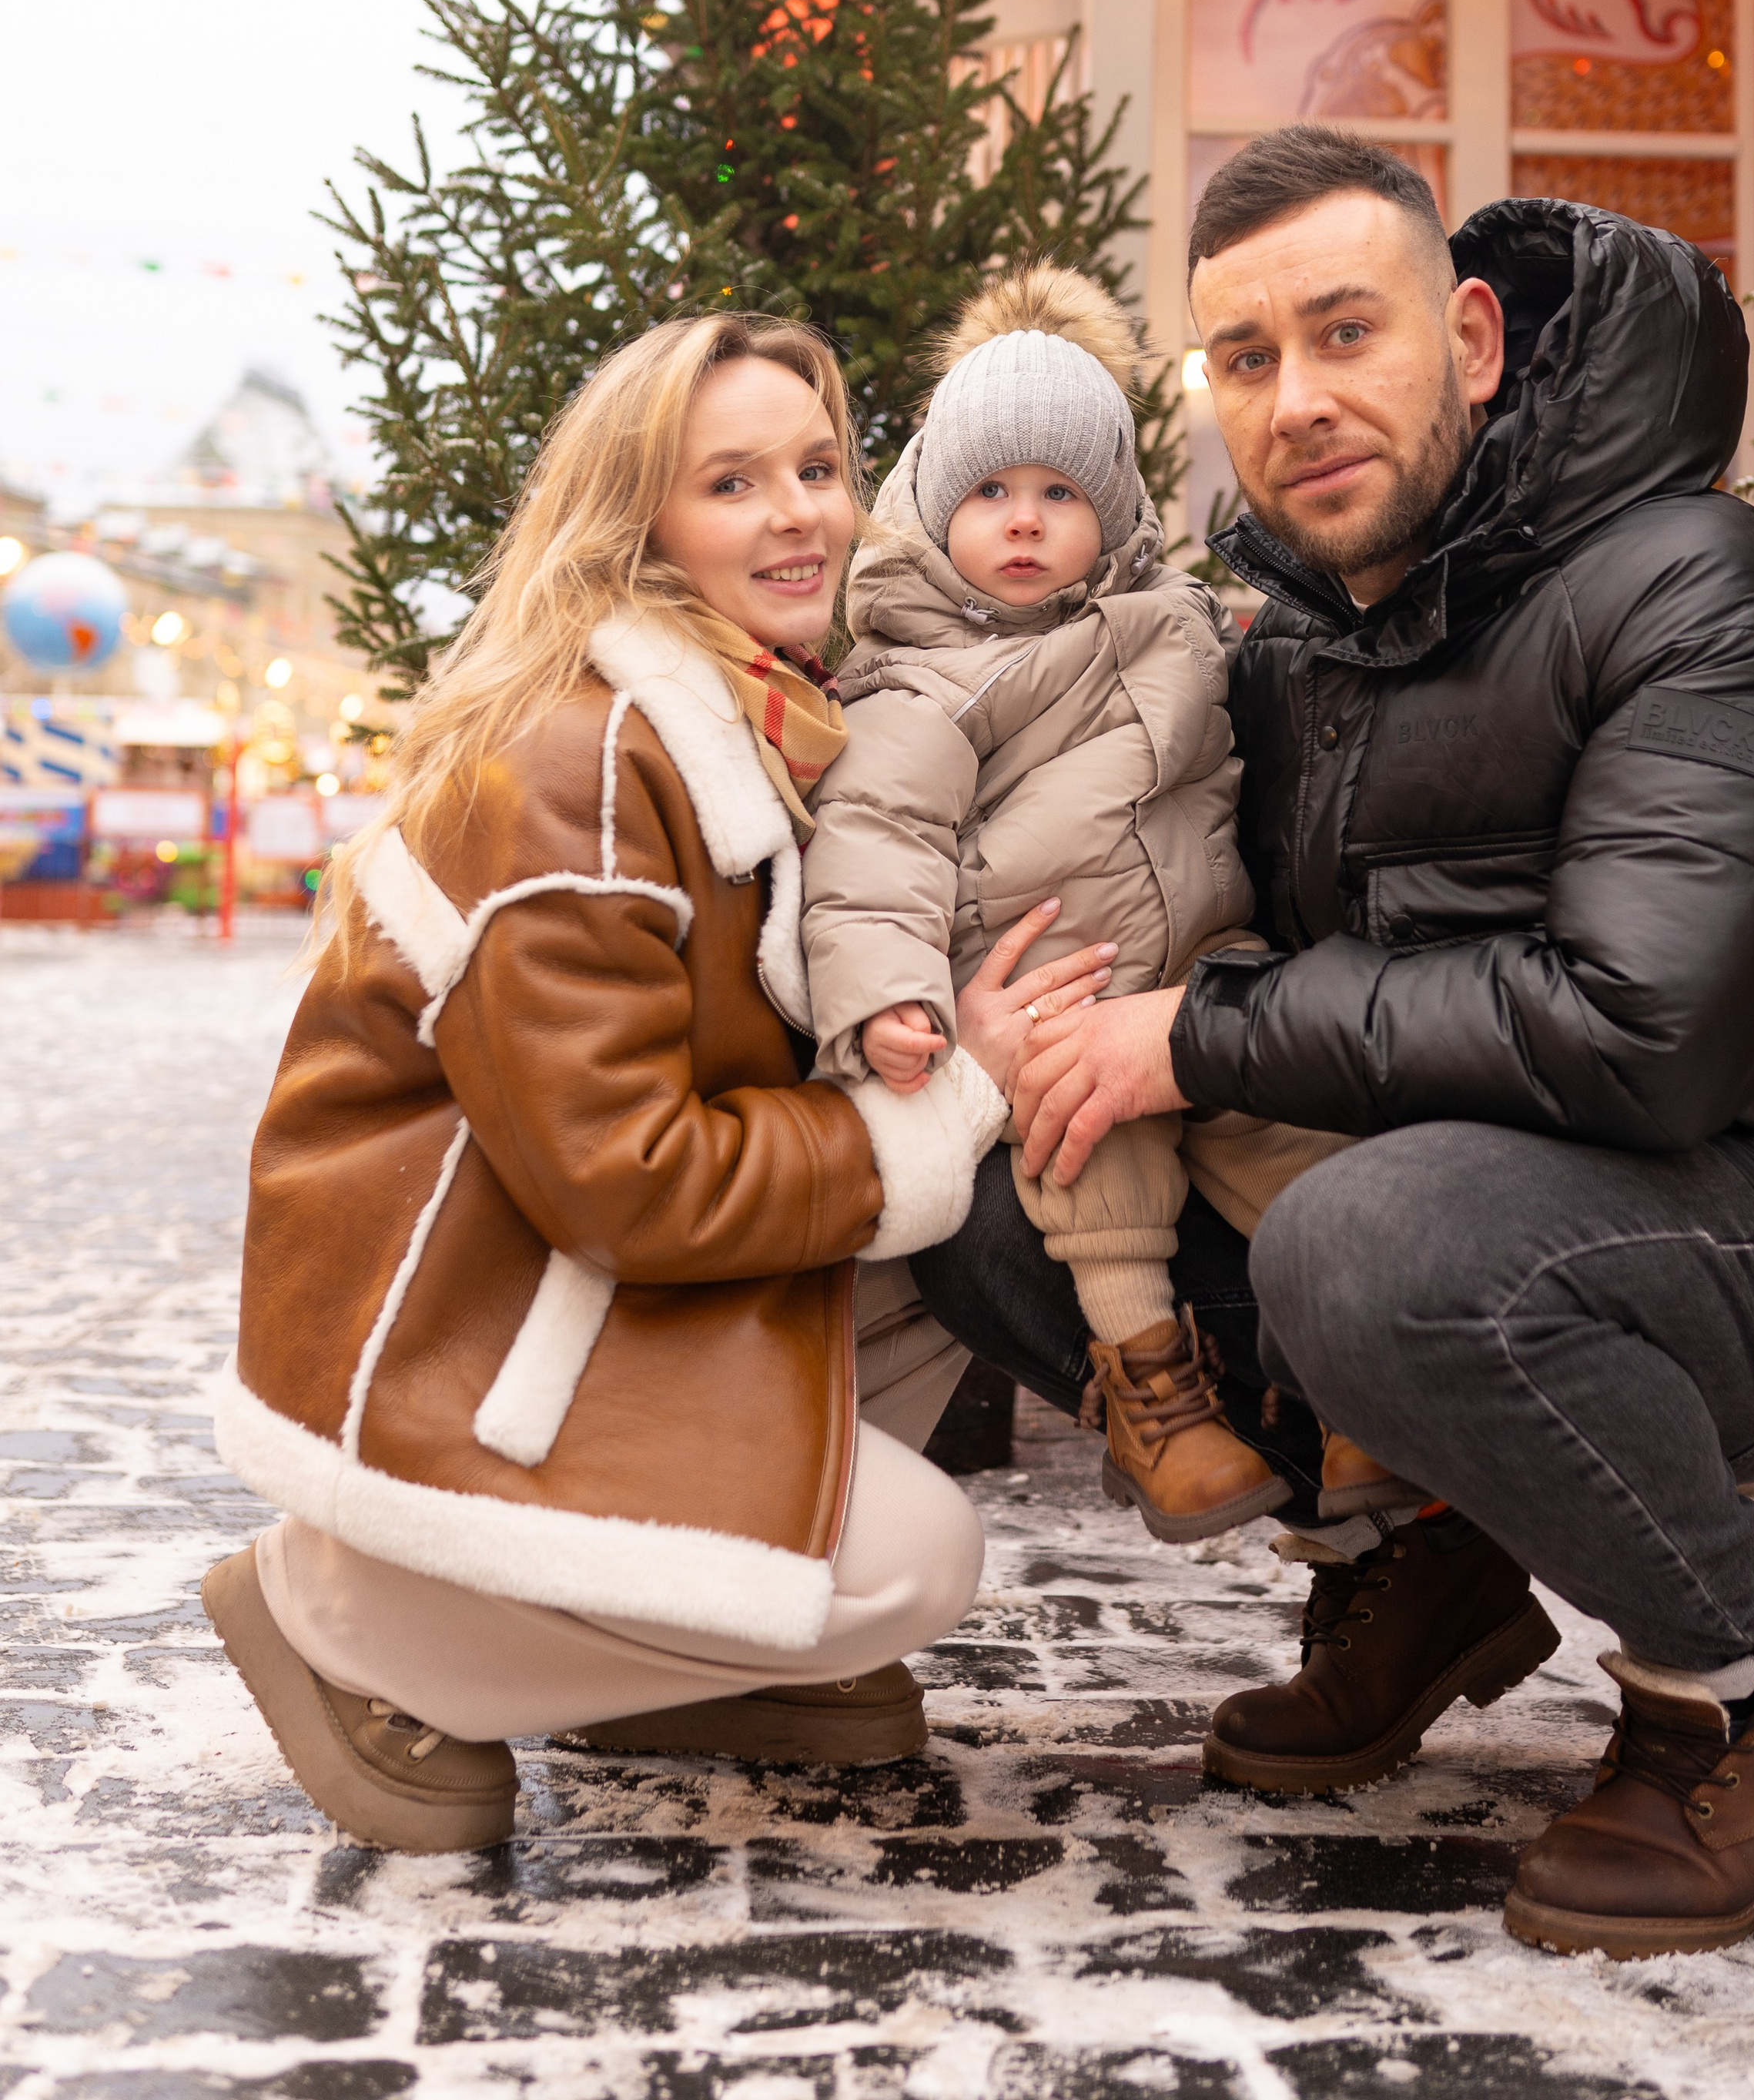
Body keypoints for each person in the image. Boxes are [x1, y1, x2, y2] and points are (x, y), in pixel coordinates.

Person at [921, 124, 1754, 1961]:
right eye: (1245, 360)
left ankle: (1751, 1680)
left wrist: (1202, 1032)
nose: (1295, 400)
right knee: (1017, 1180)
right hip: (1464, 1184)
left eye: (1345, 334)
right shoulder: (1288, 653)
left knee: (1366, 1245)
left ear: (1471, 340)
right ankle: (1417, 1561)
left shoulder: (1695, 584)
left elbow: (1645, 1035)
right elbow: (1149, 903)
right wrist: (1012, 1019)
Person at [201, 313, 1108, 1854]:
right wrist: (952, 1092)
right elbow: (629, 1177)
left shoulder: (748, 717)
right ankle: (347, 1615)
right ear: (640, 523)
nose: (800, 512)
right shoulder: (581, 757)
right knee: (917, 1559)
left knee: (936, 1273)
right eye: (733, 481)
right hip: (468, 1321)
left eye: (817, 467)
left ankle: (669, 1665)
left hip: (562, 1282)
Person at [802, 264, 1342, 1541]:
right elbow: (875, 852)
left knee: (1299, 1147)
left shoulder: (1178, 623)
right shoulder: (919, 677)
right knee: (1100, 1174)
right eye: (991, 492)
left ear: (1116, 514)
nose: (1026, 520)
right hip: (1063, 1000)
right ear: (938, 508)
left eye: (1059, 493)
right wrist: (885, 998)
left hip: (1209, 975)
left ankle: (1359, 1399)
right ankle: (1158, 1399)